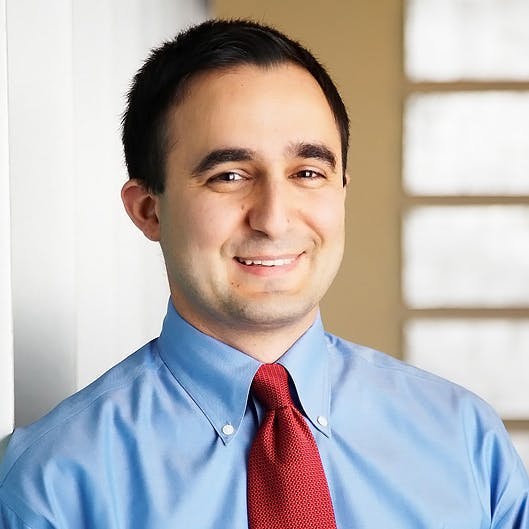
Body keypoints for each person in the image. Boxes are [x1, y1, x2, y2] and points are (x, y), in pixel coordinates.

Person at [0, 18, 528, 529]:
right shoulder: (51, 481)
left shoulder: (465, 442)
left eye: (308, 173)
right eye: (229, 175)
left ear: (342, 191)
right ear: (149, 210)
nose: (274, 218)